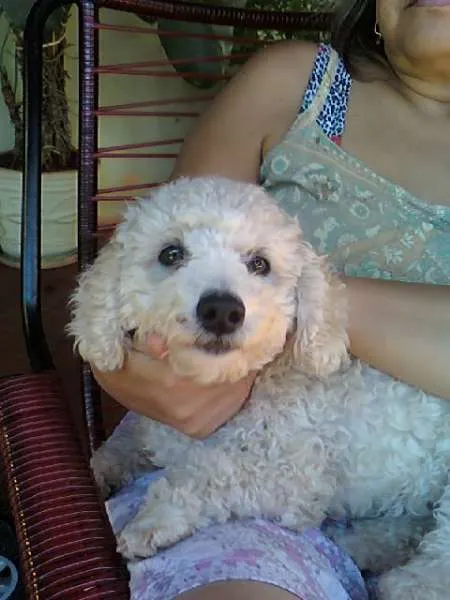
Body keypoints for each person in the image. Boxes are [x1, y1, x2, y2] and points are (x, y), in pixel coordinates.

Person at [99, 0, 450, 598]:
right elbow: (153, 264)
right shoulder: (305, 87)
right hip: (235, 476)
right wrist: (126, 361)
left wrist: (309, 303)